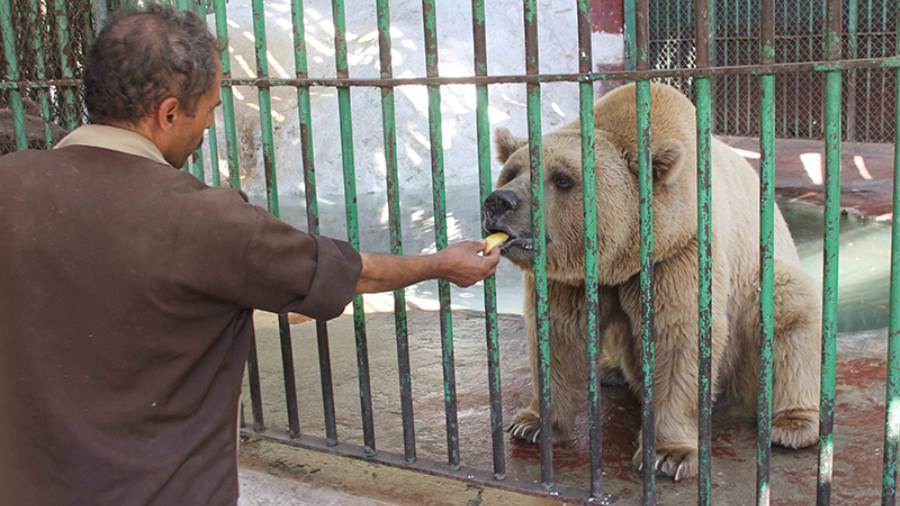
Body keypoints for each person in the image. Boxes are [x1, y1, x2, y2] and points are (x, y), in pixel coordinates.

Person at [0, 5, 500, 505]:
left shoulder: (11, 182)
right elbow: (346, 274)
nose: (205, 132)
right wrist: (438, 264)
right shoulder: (203, 222)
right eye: (211, 110)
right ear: (169, 112)